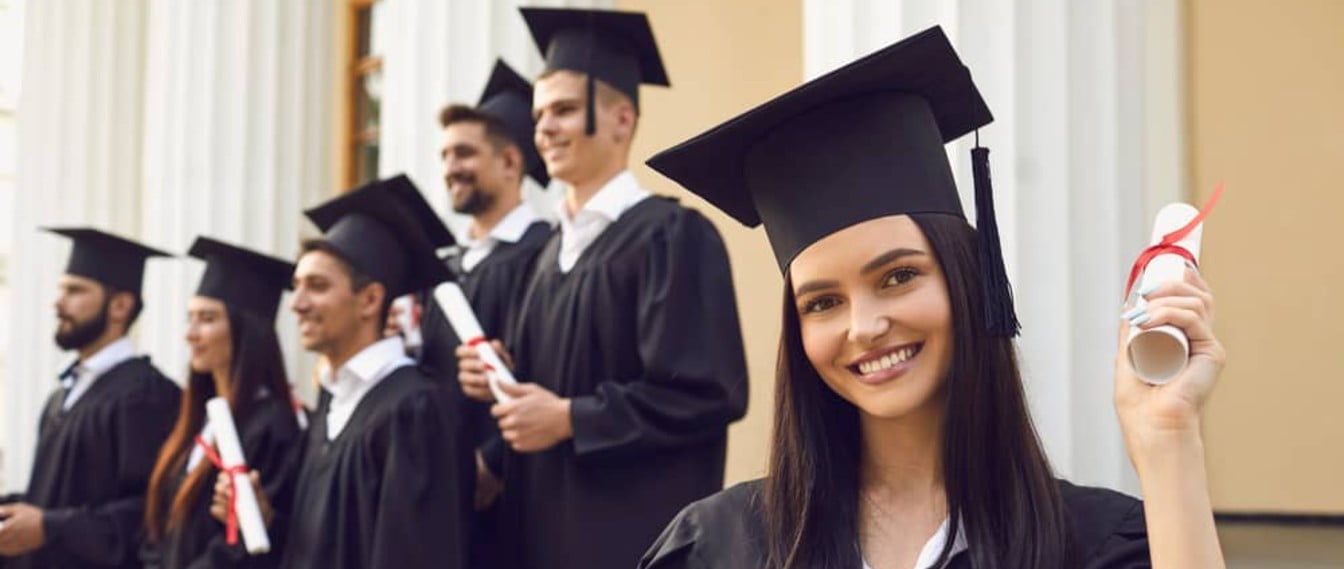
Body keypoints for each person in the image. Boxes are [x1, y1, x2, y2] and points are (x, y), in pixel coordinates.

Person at [640, 26, 1227, 569]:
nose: (864, 325)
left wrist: (1167, 439)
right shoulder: (721, 546)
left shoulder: (1090, 542)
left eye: (898, 276)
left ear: (968, 280)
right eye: (821, 303)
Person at [455, 8, 749, 569]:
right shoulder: (544, 256)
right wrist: (498, 374)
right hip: (537, 535)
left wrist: (570, 418)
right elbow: (548, 385)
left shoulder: (672, 237)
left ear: (621, 120)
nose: (543, 128)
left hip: (631, 540)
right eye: (540, 114)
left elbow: (708, 394)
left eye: (563, 109)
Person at [213, 176, 472, 569]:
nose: (297, 304)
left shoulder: (413, 409)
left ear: (369, 300)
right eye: (296, 286)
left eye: (316, 286)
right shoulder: (333, 406)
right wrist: (266, 520)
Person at [409, 58, 553, 567]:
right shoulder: (444, 268)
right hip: (437, 487)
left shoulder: (545, 253)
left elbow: (545, 363)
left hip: (506, 491)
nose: (450, 167)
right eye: (446, 154)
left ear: (511, 162)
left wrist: (493, 463)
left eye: (465, 153)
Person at [0, 228, 180, 569]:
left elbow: (149, 511)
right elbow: (53, 497)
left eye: (75, 290)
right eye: (61, 288)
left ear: (120, 306)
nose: (58, 302)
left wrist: (51, 528)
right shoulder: (64, 393)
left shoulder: (146, 396)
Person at [140, 237, 305, 569]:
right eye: (191, 317)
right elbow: (161, 530)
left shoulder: (273, 427)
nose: (191, 333)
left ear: (247, 331)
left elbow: (245, 545)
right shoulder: (198, 420)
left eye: (208, 318)